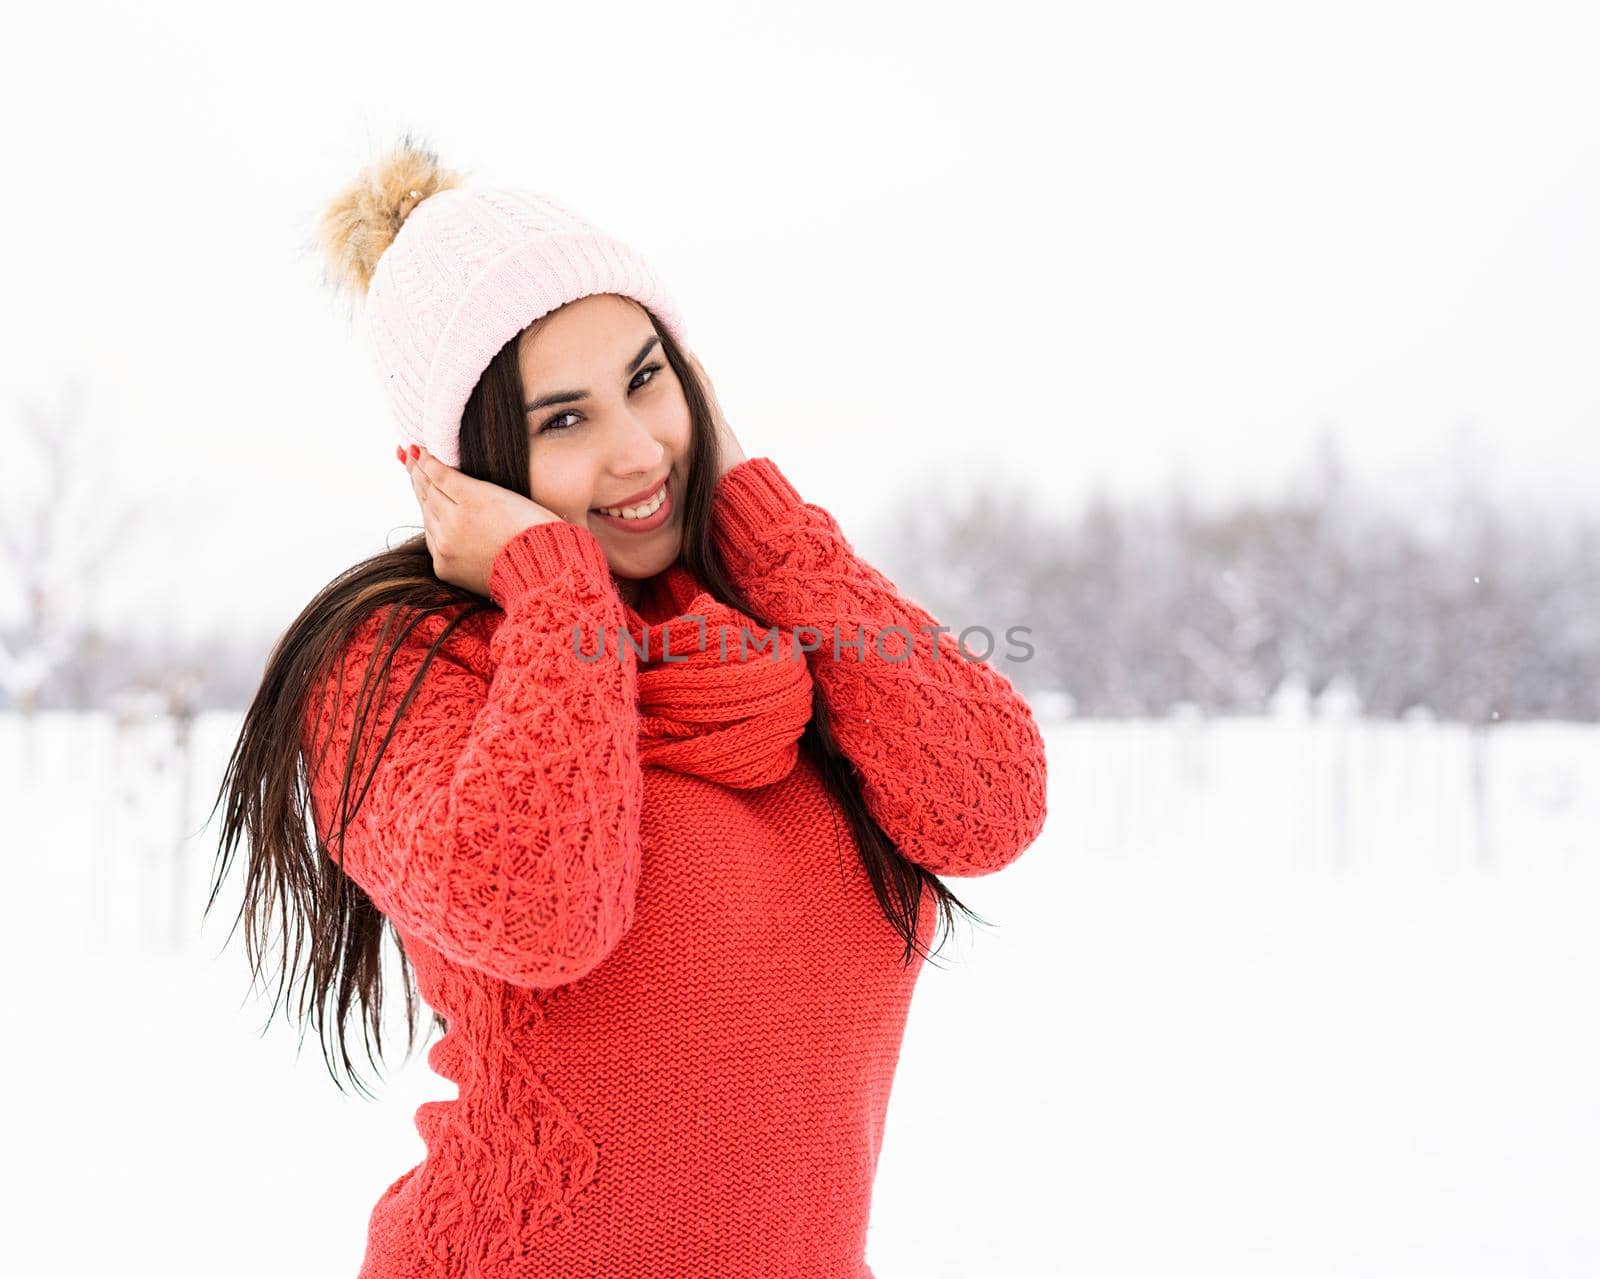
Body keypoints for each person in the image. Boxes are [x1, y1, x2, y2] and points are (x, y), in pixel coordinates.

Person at [206, 132, 1049, 1278]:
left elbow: (985, 807)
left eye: (647, 379)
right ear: (463, 467)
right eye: (563, 419)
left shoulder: (775, 636)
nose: (636, 449)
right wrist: (555, 589)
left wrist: (760, 514)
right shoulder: (397, 664)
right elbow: (537, 914)